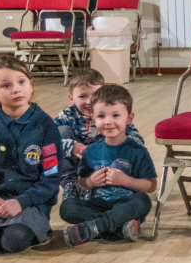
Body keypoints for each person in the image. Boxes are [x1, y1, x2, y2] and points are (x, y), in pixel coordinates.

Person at [0, 55, 63, 255]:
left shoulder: (46, 126)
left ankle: (33, 225)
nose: (16, 89)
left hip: (32, 202)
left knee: (14, 240)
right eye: (6, 85)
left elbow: (51, 177)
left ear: (31, 85)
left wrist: (21, 202)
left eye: (21, 82)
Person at [61, 84, 157, 246]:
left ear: (129, 118)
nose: (108, 122)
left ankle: (94, 226)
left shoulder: (137, 150)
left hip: (126, 204)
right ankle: (118, 228)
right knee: (67, 207)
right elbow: (82, 182)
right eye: (101, 116)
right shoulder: (90, 151)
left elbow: (151, 186)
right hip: (98, 205)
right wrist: (91, 182)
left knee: (143, 201)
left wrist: (125, 180)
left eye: (115, 115)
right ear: (93, 118)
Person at [55, 68, 144, 202]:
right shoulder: (66, 116)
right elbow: (47, 141)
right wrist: (72, 146)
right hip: (76, 162)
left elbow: (138, 141)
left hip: (105, 163)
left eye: (95, 95)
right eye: (82, 96)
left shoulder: (113, 113)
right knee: (61, 131)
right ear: (71, 98)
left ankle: (111, 190)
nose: (89, 101)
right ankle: (72, 185)